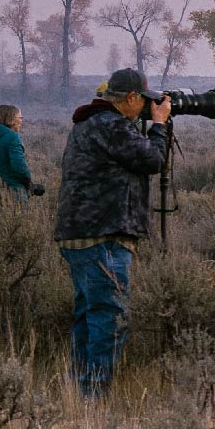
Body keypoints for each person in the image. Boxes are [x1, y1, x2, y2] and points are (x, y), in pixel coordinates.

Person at [52, 68, 171, 398]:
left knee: (89, 315)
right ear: (131, 98)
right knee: (109, 317)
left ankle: (79, 391)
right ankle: (94, 397)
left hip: (79, 234)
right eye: (142, 102)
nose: (145, 108)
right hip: (102, 234)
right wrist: (159, 125)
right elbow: (151, 159)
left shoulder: (90, 123)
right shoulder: (111, 124)